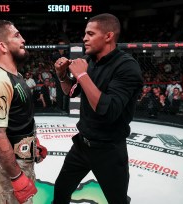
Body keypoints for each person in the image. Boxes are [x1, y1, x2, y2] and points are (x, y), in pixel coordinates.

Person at [53, 13, 143, 204]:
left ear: (108, 36)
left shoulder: (127, 67)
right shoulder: (90, 60)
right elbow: (72, 93)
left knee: (117, 201)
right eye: (85, 33)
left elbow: (108, 110)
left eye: (91, 34)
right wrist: (62, 77)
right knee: (60, 192)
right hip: (82, 145)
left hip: (109, 149)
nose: (84, 38)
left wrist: (83, 75)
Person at [0, 20, 47, 204]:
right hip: (12, 166)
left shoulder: (15, 76)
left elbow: (19, 119)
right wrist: (16, 177)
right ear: (2, 46)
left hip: (21, 160)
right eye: (16, 35)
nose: (23, 39)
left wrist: (33, 144)